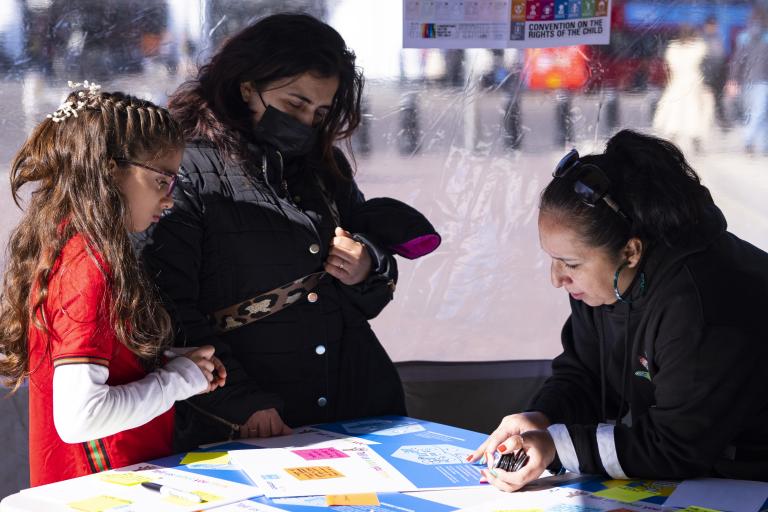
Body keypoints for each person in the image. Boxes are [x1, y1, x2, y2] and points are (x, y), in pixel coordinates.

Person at [137, 14, 440, 450]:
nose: (306, 122)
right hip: (247, 419)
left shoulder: (321, 167)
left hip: (355, 404)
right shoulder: (187, 170)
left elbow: (372, 273)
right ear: (247, 86)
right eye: (295, 104)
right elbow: (163, 307)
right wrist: (239, 402)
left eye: (319, 112)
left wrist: (367, 266)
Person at [469, 129, 768, 490]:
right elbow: (584, 373)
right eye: (553, 260)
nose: (557, 278)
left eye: (570, 263)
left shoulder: (701, 304)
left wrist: (556, 447)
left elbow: (676, 445)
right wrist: (541, 418)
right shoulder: (603, 284)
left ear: (631, 251)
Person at [0, 84, 227, 486]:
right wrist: (180, 380)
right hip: (102, 488)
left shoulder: (70, 245)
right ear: (110, 169)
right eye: (162, 181)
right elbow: (80, 417)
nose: (170, 199)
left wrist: (168, 361)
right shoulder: (86, 265)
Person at [652, 26, 714, 153]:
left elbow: (669, 66)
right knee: (691, 113)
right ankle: (690, 141)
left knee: (678, 113)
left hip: (680, 83)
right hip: (690, 83)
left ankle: (679, 141)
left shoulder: (674, 50)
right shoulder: (696, 49)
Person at [727, 6, 768, 155]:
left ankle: (761, 145)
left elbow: (737, 61)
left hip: (757, 81)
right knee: (758, 113)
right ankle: (750, 141)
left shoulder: (744, 37)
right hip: (756, 81)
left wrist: (733, 79)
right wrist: (732, 80)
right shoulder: (747, 38)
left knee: (759, 113)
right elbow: (738, 61)